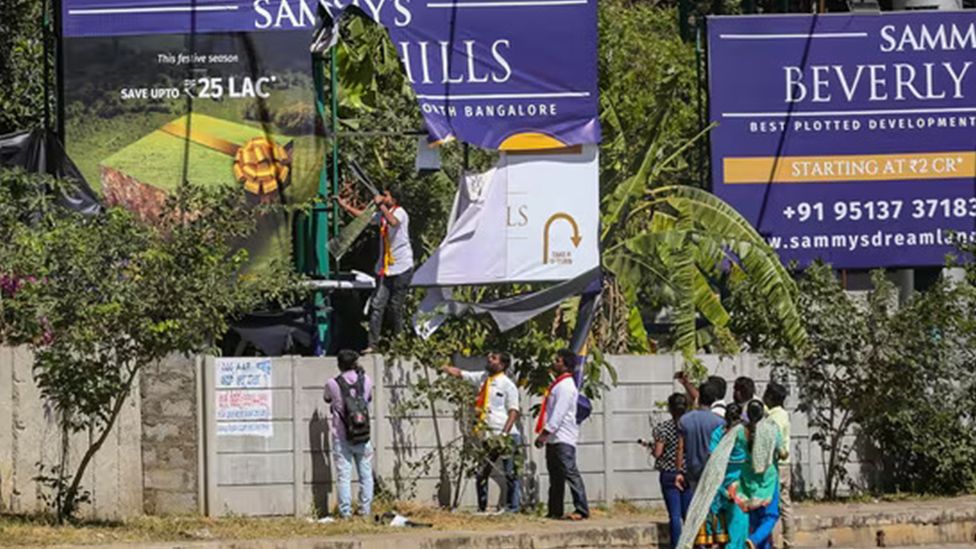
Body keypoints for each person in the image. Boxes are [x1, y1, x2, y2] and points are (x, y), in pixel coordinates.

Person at [336, 186, 414, 351]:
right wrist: (346, 207)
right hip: (384, 268)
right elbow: (366, 219)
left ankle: (399, 342)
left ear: (393, 198)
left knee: (395, 306)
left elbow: (393, 222)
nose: (383, 198)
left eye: (386, 195)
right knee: (377, 305)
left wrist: (382, 206)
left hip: (401, 266)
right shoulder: (383, 215)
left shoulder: (400, 212)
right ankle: (372, 344)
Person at [443, 352, 522, 513]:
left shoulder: (508, 385)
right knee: (481, 472)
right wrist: (443, 367)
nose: (489, 359)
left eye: (494, 358)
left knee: (510, 473)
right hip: (488, 434)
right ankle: (482, 507)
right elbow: (460, 373)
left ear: (502, 365)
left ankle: (513, 508)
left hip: (505, 435)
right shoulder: (483, 377)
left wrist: (504, 435)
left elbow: (514, 411)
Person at [676, 402, 748, 549]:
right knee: (736, 527)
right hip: (738, 486)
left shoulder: (719, 432)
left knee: (719, 529)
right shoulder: (743, 434)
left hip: (717, 486)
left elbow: (713, 456)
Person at [534, 348, 589, 520]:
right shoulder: (559, 384)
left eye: (557, 360)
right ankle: (554, 510)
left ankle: (581, 509)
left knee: (570, 472)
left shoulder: (565, 386)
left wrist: (544, 433)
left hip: (563, 436)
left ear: (565, 364)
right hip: (554, 438)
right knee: (555, 476)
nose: (554, 363)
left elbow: (558, 413)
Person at [323, 349, 374, 518]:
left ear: (339, 364)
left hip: (341, 436)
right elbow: (369, 399)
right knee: (365, 475)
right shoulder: (366, 380)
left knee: (343, 476)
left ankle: (346, 513)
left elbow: (327, 398)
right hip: (363, 434)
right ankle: (365, 511)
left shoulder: (332, 383)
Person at [736, 399, 786, 549]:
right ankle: (755, 539)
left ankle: (757, 542)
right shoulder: (771, 429)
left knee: (755, 519)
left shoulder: (739, 431)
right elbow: (782, 452)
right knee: (771, 516)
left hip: (747, 482)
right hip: (767, 482)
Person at [652, 393, 691, 549]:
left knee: (674, 515)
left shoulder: (663, 429)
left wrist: (652, 449)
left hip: (669, 473)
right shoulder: (690, 427)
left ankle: (677, 545)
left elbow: (658, 453)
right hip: (687, 473)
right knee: (687, 513)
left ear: (670, 408)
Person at [676, 381, 725, 495]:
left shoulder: (684, 420)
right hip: (713, 470)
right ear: (714, 400)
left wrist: (678, 471)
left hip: (692, 470)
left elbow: (680, 447)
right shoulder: (720, 421)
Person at [763, 382, 793, 548]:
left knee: (772, 505)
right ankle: (790, 543)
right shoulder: (782, 414)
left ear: (771, 397)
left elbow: (773, 442)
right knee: (785, 505)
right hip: (785, 465)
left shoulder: (773, 418)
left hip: (775, 465)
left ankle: (773, 543)